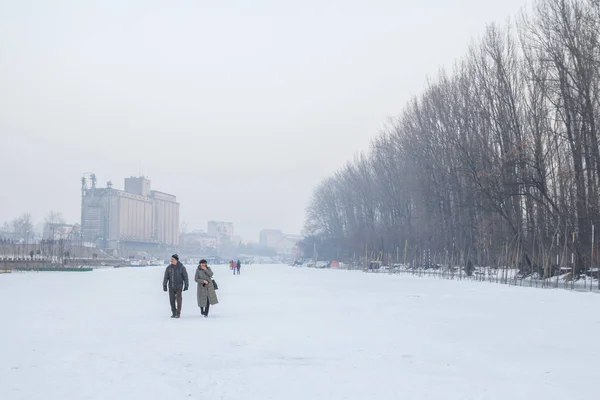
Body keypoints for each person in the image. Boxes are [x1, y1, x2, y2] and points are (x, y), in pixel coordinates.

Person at [163, 254, 189, 318]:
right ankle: (174, 313)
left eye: (172, 259)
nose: (171, 260)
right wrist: (164, 285)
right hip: (171, 286)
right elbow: (166, 277)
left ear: (176, 260)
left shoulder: (182, 267)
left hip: (179, 286)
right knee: (171, 300)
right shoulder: (169, 267)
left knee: (179, 300)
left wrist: (186, 285)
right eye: (171, 259)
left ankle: (178, 313)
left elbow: (185, 277)